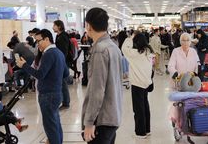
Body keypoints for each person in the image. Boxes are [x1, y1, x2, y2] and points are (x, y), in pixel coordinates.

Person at [16, 29, 68, 144]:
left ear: (47, 39)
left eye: (39, 41)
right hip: (56, 93)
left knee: (50, 127)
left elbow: (40, 74)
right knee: (56, 124)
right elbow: (66, 73)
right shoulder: (59, 52)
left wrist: (24, 65)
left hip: (48, 95)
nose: (37, 44)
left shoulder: (49, 54)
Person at [81, 8, 123, 144]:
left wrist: (89, 122)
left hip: (101, 120)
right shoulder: (113, 47)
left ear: (88, 25)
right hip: (112, 115)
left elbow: (97, 90)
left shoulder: (100, 50)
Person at [122, 32, 154, 139]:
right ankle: (147, 129)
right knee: (145, 106)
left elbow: (124, 48)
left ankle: (140, 133)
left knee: (138, 108)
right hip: (146, 82)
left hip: (137, 83)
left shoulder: (135, 54)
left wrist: (130, 38)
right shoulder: (148, 52)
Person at [53, 20, 71, 110]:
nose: (53, 27)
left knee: (63, 83)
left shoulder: (63, 36)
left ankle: (66, 103)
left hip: (63, 63)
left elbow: (64, 52)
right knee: (61, 83)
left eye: (54, 25)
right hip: (61, 62)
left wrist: (60, 63)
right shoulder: (59, 36)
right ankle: (64, 101)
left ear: (59, 26)